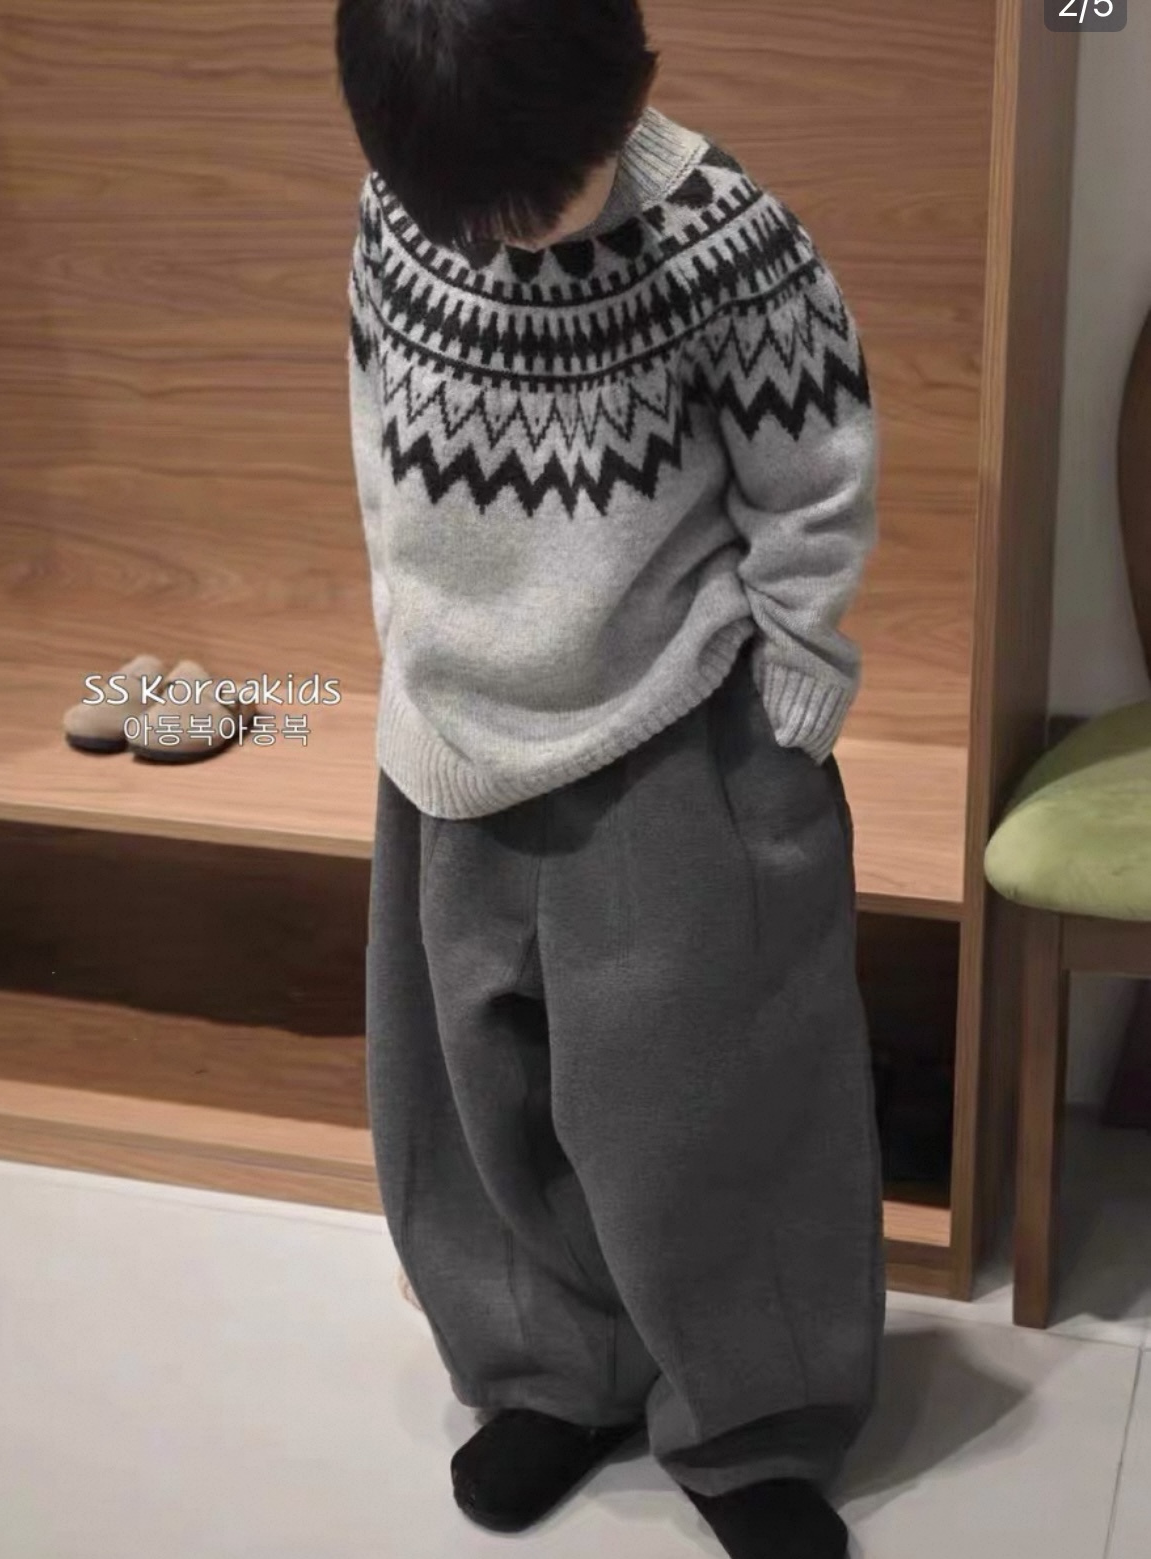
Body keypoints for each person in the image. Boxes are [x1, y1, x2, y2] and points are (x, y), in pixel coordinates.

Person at [336, 2, 884, 1554]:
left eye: (542, 196)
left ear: (632, 88)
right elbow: (377, 428)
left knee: (711, 1098)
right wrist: (404, 635)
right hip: (450, 731)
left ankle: (756, 1424)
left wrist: (797, 676)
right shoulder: (405, 209)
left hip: (673, 726)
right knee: (469, 1091)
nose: (509, 234)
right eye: (474, 209)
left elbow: (816, 473)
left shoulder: (728, 243)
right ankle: (550, 1369)